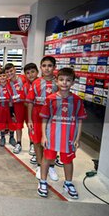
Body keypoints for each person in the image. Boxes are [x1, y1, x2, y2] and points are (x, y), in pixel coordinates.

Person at [38, 67, 86, 199]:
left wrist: (77, 137)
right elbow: (44, 118)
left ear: (73, 82)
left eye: (68, 80)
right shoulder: (50, 99)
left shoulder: (77, 100)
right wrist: (44, 135)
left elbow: (80, 120)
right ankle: (42, 181)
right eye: (61, 80)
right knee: (47, 158)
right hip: (52, 136)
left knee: (68, 160)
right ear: (56, 81)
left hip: (69, 137)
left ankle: (68, 183)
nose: (64, 83)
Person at [26, 56, 59, 181]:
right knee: (37, 141)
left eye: (50, 66)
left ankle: (51, 166)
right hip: (37, 115)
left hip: (53, 117)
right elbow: (30, 102)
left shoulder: (58, 82)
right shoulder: (36, 83)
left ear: (54, 68)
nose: (47, 68)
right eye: (44, 66)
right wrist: (29, 119)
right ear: (41, 68)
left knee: (52, 142)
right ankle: (40, 165)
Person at [0, 70, 16, 147]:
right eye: (0, 76)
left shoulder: (10, 85)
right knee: (1, 123)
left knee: (12, 122)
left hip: (10, 107)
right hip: (0, 108)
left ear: (6, 76)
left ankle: (11, 137)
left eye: (4, 76)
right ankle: (2, 137)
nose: (2, 77)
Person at [5, 63, 26, 152]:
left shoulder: (23, 78)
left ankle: (32, 144)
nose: (10, 73)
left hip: (27, 104)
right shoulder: (7, 84)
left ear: (15, 70)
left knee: (31, 125)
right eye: (7, 72)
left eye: (11, 71)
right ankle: (19, 143)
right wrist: (11, 111)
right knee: (18, 125)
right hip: (17, 106)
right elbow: (9, 100)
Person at [22, 63, 39, 164]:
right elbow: (25, 101)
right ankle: (32, 145)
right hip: (31, 114)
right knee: (31, 130)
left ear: (37, 72)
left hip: (44, 115)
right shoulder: (25, 86)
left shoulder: (43, 83)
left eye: (33, 72)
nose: (31, 75)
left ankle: (52, 156)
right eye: (28, 73)